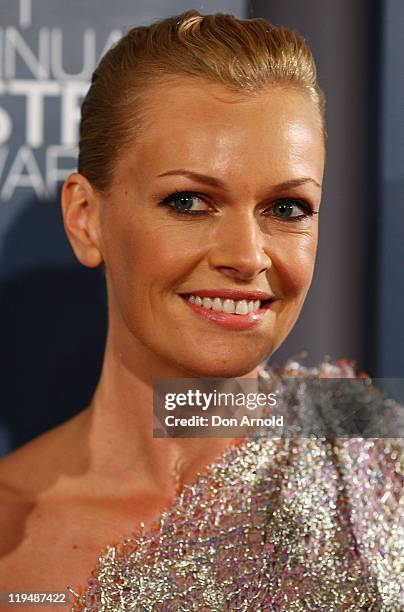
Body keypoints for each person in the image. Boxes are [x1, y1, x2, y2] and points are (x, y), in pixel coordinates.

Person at [0, 10, 402, 611]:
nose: (246, 256)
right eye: (189, 201)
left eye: (288, 208)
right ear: (87, 219)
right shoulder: (12, 533)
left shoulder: (377, 466)